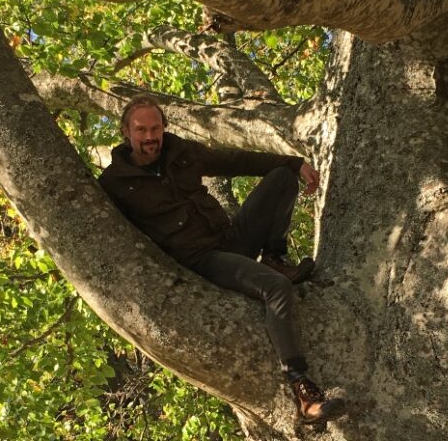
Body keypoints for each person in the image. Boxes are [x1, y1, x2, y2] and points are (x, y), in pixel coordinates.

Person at [98, 95, 345, 423]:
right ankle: (302, 388)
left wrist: (293, 163)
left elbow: (234, 161)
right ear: (126, 133)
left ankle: (273, 254)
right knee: (276, 287)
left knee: (282, 177)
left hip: (231, 238)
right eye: (141, 130)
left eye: (155, 128)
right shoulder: (114, 182)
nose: (149, 137)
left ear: (164, 128)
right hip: (204, 259)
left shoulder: (180, 152)